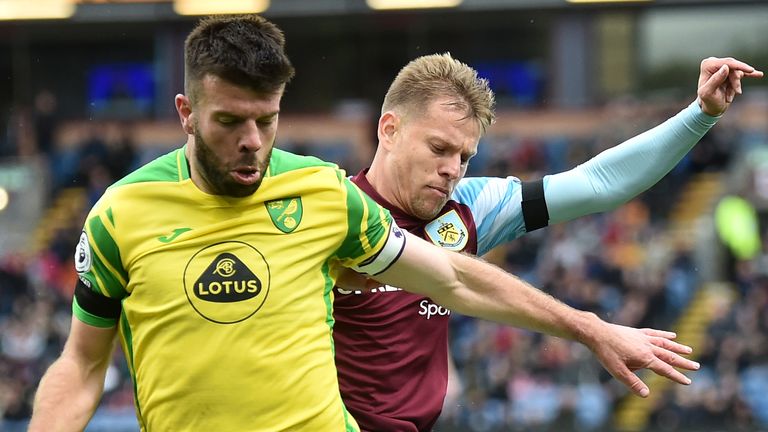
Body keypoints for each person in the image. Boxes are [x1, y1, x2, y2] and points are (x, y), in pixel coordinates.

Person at [29, 14, 699, 432]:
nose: (254, 142)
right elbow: (82, 363)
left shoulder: (346, 201)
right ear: (185, 113)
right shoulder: (120, 213)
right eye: (231, 122)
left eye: (268, 121)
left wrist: (588, 328)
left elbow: (457, 278)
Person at [332, 53, 764, 431]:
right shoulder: (330, 217)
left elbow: (599, 183)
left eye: (464, 157)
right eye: (439, 147)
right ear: (389, 130)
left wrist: (700, 114)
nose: (452, 169)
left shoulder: (470, 207)